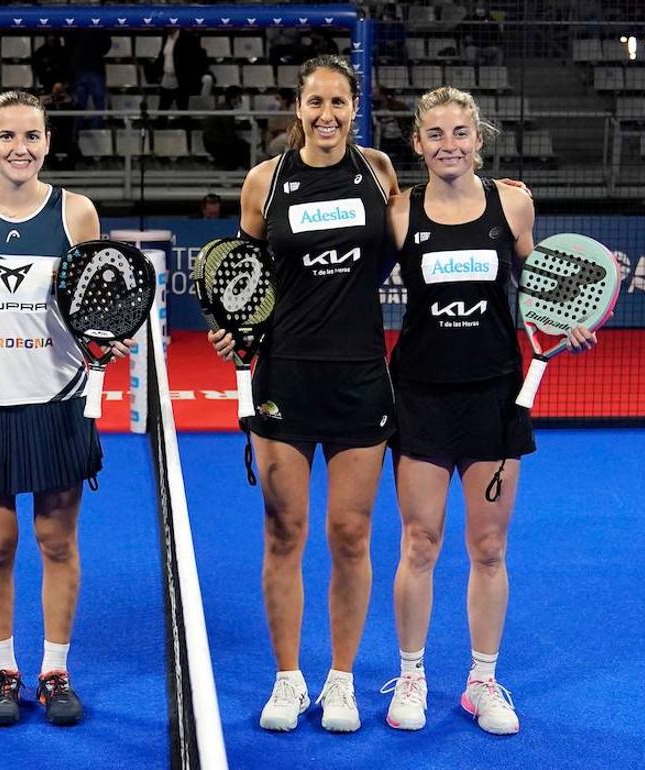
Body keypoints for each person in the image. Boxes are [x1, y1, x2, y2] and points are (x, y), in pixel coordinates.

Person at [380, 86, 594, 735]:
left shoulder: (513, 202)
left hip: (494, 394)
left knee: (489, 545)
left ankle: (482, 681)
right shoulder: (398, 211)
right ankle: (411, 675)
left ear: (479, 139)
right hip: (418, 394)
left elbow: (539, 280)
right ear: (417, 144)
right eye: (435, 134)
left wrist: (570, 316)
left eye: (460, 133)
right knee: (419, 543)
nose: (449, 145)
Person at [209, 54, 401, 734]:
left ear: (355, 107)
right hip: (284, 377)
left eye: (338, 102)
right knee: (284, 530)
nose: (326, 114)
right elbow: (241, 276)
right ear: (298, 107)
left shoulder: (378, 173)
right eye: (314, 102)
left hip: (359, 378)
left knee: (351, 534)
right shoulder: (265, 181)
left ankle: (342, 681)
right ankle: (288, 679)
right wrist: (232, 331)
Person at [0, 90, 123, 728]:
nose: (20, 148)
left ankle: (55, 669)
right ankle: (4, 669)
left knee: (56, 541)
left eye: (33, 136)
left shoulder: (77, 213)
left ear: (47, 142)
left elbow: (94, 301)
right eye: (7, 136)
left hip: (57, 400)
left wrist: (108, 336)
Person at [203, 85, 252, 170]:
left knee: (242, 145)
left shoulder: (223, 107)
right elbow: (229, 133)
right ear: (234, 98)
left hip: (214, 140)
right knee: (243, 146)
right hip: (216, 142)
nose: (240, 100)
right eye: (239, 97)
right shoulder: (226, 110)